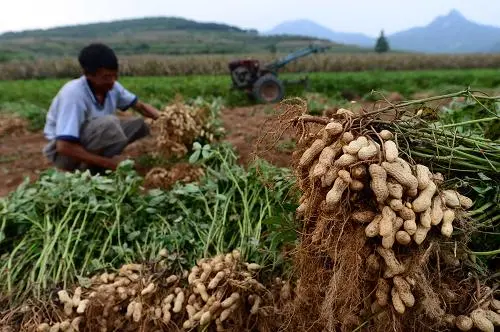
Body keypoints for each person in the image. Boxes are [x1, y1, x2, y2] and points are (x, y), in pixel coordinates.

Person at [42, 43, 160, 174]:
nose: (112, 81)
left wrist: (168, 119)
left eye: (115, 76)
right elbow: (64, 147)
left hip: (91, 139)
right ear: (88, 75)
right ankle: (85, 169)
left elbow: (140, 107)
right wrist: (109, 164)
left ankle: (97, 163)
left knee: (138, 125)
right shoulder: (73, 95)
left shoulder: (112, 86)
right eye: (106, 77)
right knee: (109, 124)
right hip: (64, 155)